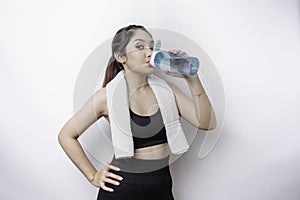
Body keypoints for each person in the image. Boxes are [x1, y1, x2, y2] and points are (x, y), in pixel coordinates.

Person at [58, 24, 217, 200]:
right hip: (122, 189)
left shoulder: (166, 90)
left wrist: (192, 78)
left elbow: (207, 123)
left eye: (151, 46)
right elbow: (66, 135)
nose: (149, 53)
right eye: (140, 47)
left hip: (162, 188)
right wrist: (93, 176)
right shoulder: (106, 97)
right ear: (120, 57)